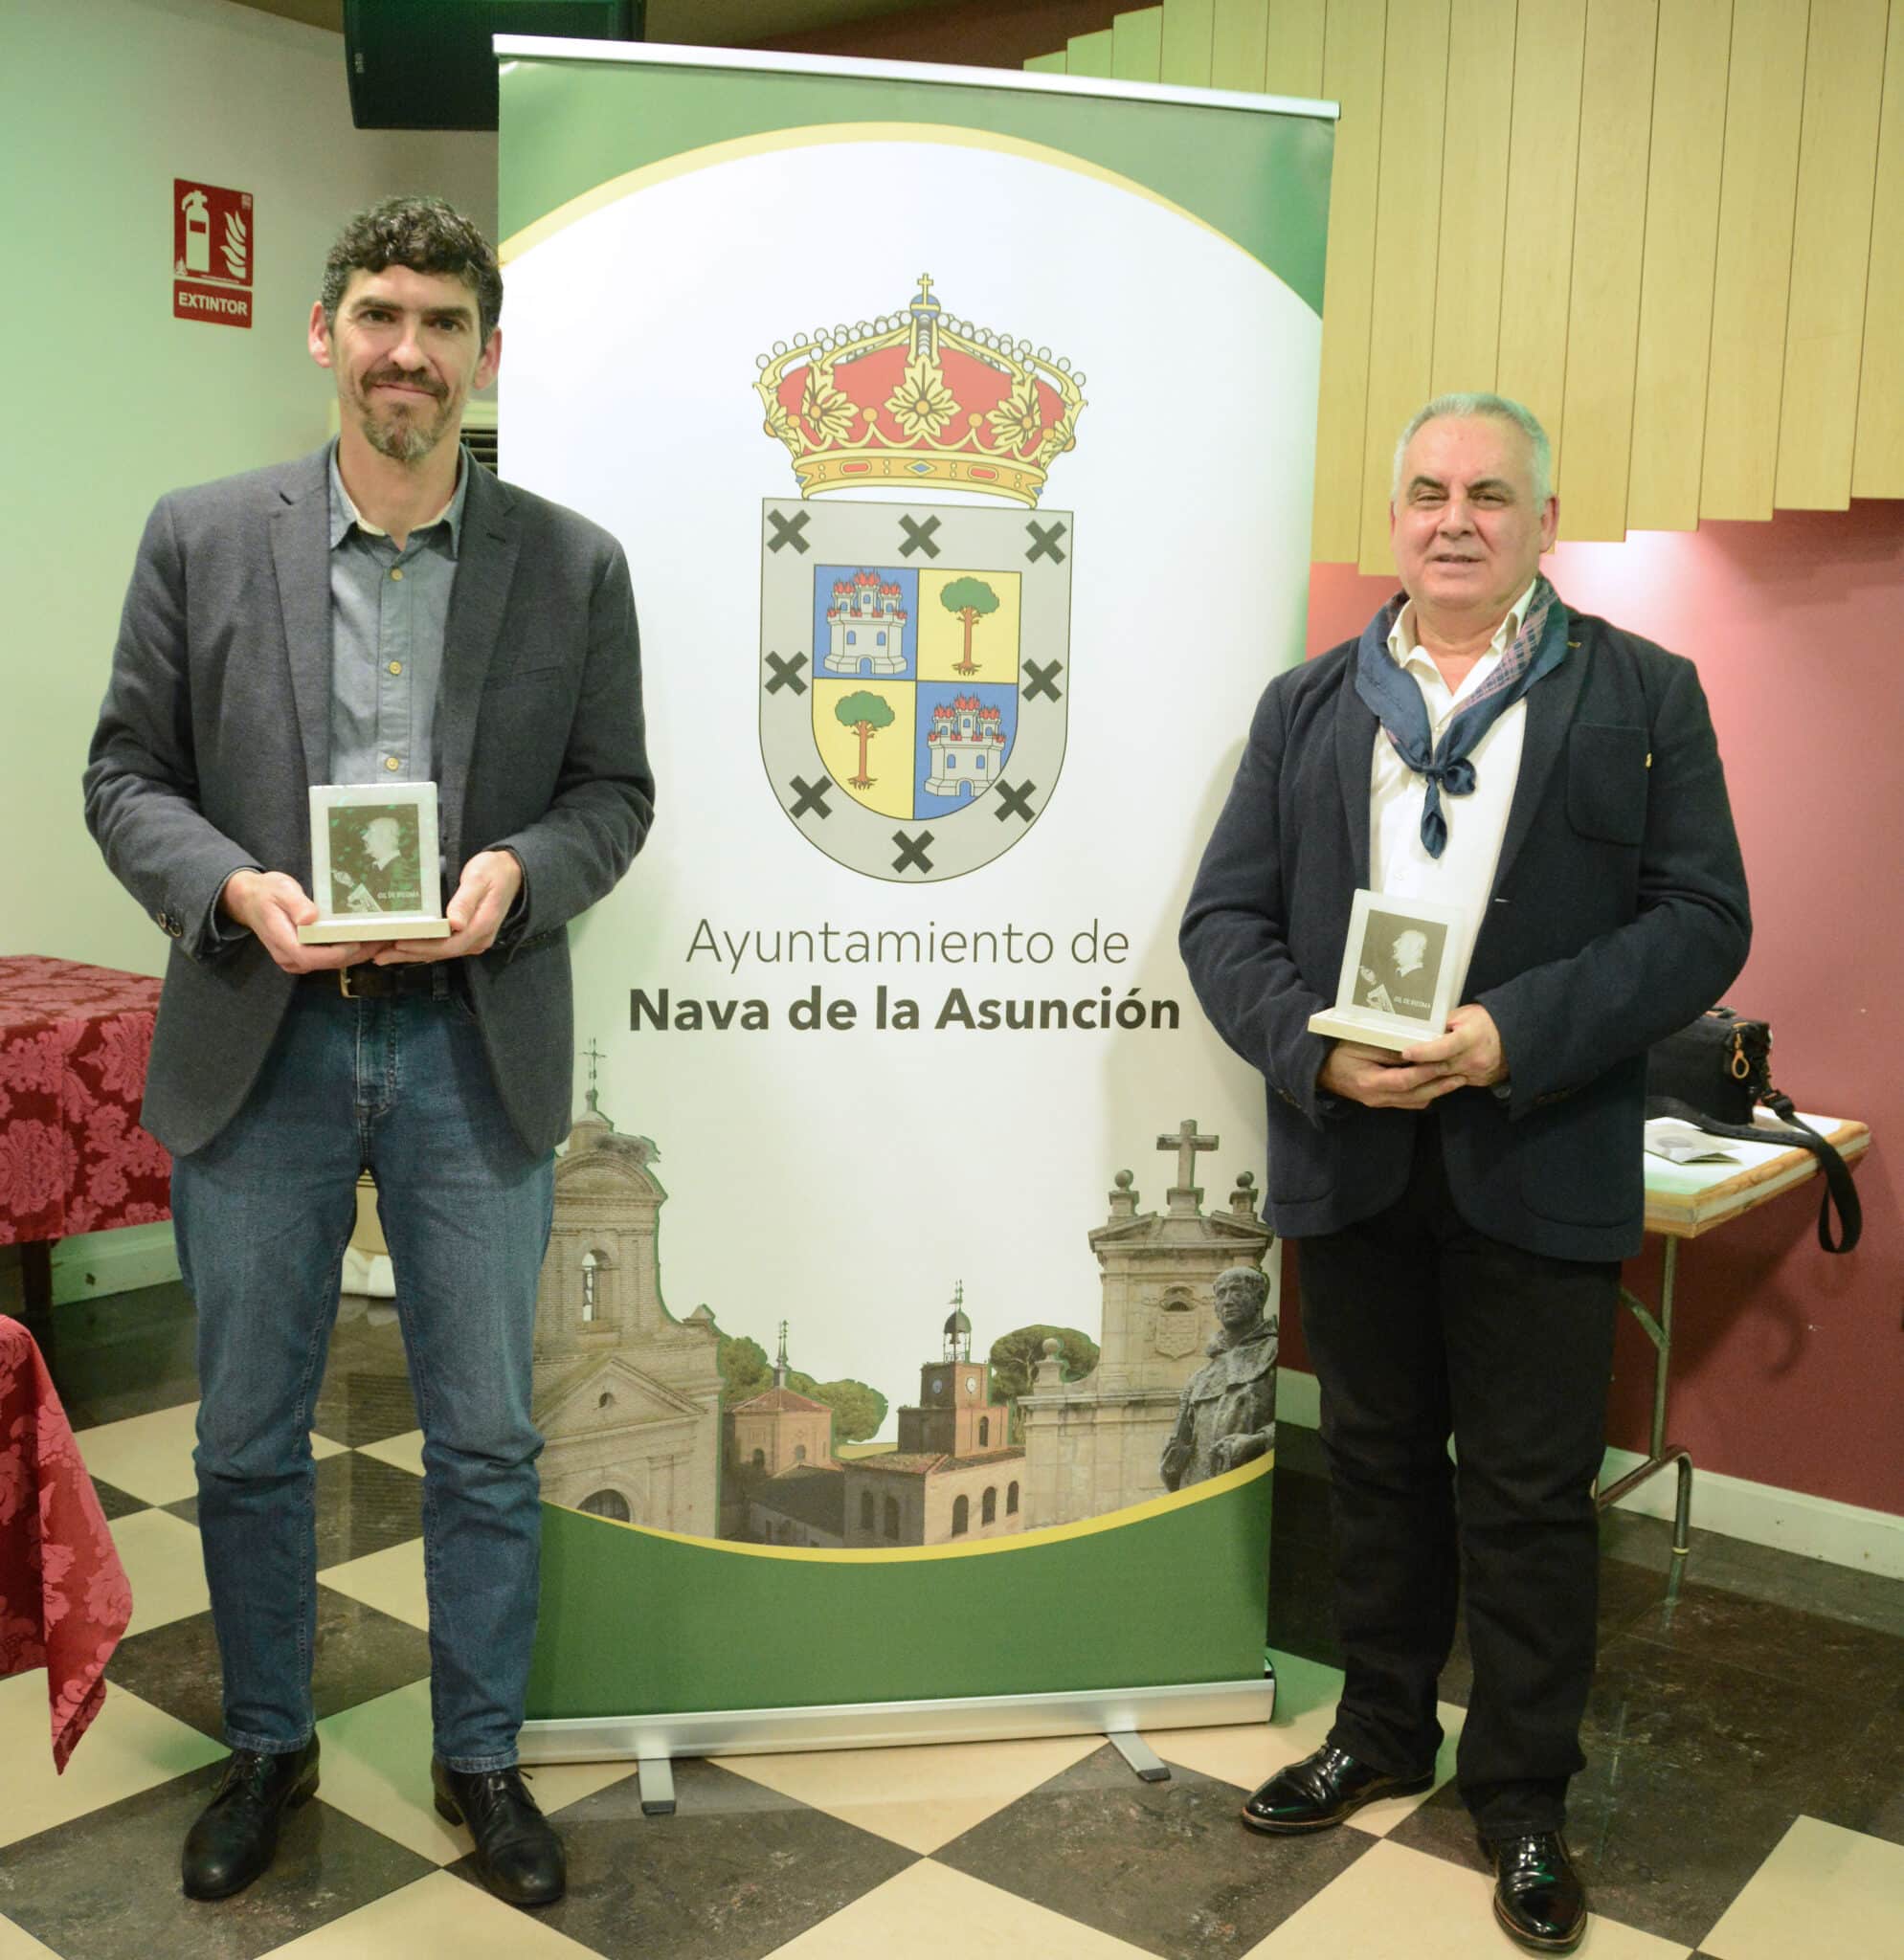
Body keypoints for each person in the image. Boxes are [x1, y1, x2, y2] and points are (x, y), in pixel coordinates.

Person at [84, 196, 654, 1910]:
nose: (409, 352)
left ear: (487, 354)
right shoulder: (198, 537)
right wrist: (231, 887)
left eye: (443, 324)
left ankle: (478, 1751)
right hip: (262, 1042)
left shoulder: (571, 561)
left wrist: (516, 879)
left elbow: (611, 797)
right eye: (380, 316)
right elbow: (125, 776)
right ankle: (270, 1737)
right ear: (320, 332)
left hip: (469, 1049)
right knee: (249, 1432)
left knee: (483, 1434)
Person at [1179, 393, 1748, 1954]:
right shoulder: (1303, 706)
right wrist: (1309, 1045)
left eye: (1486, 494)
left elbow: (1700, 919)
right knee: (1366, 1468)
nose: (1452, 517)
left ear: (1539, 522)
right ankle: (1378, 1728)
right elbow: (1221, 925)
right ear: (1394, 513)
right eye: (1425, 490)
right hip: (1353, 1148)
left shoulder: (1640, 694)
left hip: (1535, 1143)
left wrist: (1512, 1033)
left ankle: (1517, 1790)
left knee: (1523, 1495)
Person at [1158, 1263, 1278, 1490]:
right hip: (1200, 1497)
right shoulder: (1200, 1378)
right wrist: (1171, 1462)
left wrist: (1257, 1442)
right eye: (1221, 1294)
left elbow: (1301, 1426)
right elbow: (1179, 1449)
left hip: (1249, 1492)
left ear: (1259, 1298)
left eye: (1237, 1291)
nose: (1228, 1300)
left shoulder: (1277, 1354)